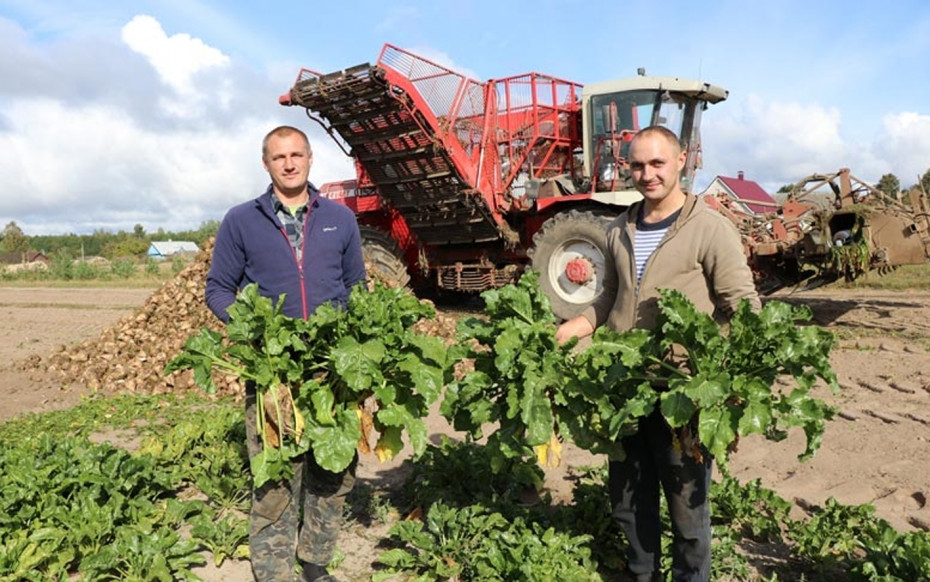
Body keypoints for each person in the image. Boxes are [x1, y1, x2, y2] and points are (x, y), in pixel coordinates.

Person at [555, 125, 760, 582]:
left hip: (682, 395)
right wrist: (579, 324)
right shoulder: (617, 229)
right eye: (638, 165)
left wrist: (724, 378)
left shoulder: (709, 228)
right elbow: (608, 296)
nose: (647, 174)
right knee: (629, 503)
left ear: (681, 160)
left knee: (688, 511)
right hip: (625, 391)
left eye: (657, 163)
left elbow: (742, 306)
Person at [206, 125, 367, 582]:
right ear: (266, 164)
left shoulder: (341, 218)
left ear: (311, 159)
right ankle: (274, 573)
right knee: (275, 476)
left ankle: (315, 565)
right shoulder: (241, 220)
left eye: (297, 154)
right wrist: (250, 325)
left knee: (331, 473)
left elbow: (357, 288)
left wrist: (356, 353)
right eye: (280, 157)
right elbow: (218, 288)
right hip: (275, 370)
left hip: (330, 371)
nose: (290, 163)